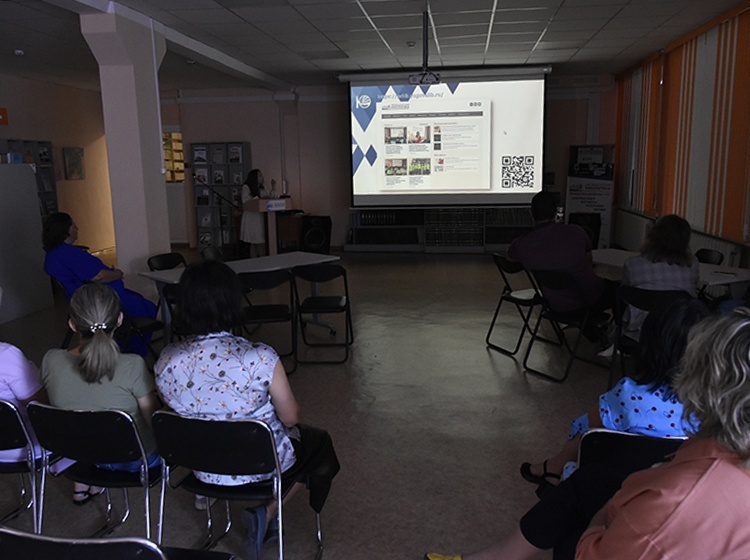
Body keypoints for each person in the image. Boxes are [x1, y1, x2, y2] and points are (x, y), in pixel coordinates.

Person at [425, 306, 750, 560]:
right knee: (590, 479)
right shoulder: (716, 450)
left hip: (624, 530)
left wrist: (605, 513)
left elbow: (593, 553)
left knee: (576, 512)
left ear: (700, 385)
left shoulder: (674, 502)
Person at [154, 260, 340, 560]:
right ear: (233, 301)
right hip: (261, 464)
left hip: (201, 466)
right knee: (319, 445)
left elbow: (175, 410)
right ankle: (268, 511)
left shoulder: (166, 359)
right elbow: (291, 417)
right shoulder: (260, 357)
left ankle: (258, 512)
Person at [519, 298, 708, 487]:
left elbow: (588, 432)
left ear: (649, 342)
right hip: (679, 489)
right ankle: (553, 467)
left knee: (590, 423)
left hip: (616, 486)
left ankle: (553, 467)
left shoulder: (629, 395)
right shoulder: (714, 406)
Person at [40, 284, 161, 505]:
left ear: (72, 324)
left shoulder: (51, 360)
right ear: (120, 320)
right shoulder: (132, 365)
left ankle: (89, 482)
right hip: (136, 461)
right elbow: (153, 422)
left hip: (81, 455)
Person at [42, 212, 157, 355]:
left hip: (86, 300)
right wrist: (117, 274)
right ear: (65, 230)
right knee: (148, 308)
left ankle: (125, 345)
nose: (77, 228)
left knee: (138, 298)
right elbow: (98, 276)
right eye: (73, 226)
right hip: (101, 301)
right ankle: (132, 351)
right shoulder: (68, 253)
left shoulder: (53, 255)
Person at [507, 192, 614, 337]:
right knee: (624, 292)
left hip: (554, 305)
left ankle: (592, 331)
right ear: (556, 212)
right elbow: (588, 261)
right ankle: (622, 340)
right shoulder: (576, 232)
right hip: (589, 299)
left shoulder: (521, 244)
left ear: (531, 213)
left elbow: (510, 258)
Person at [620, 214, 699, 340]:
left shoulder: (632, 264)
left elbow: (625, 293)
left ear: (652, 235)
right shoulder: (692, 264)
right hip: (677, 332)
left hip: (639, 332)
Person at [240, 169, 278, 258]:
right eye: (260, 176)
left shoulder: (262, 188)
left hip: (260, 218)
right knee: (254, 242)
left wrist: (273, 187)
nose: (262, 177)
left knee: (260, 242)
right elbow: (245, 201)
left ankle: (262, 261)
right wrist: (260, 198)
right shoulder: (246, 187)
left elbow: (274, 196)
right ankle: (254, 262)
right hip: (251, 218)